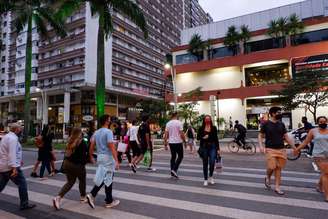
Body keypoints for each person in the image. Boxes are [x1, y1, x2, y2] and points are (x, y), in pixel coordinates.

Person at [258, 106, 295, 195]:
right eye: (278, 112)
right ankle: (267, 176)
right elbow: (260, 135)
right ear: (273, 113)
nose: (280, 114)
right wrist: (261, 146)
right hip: (270, 148)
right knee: (272, 166)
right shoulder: (266, 124)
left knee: (278, 168)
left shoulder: (281, 124)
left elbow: (286, 136)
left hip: (281, 149)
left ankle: (277, 187)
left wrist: (294, 147)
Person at [86, 114, 120, 209]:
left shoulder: (96, 132)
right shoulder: (108, 132)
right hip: (108, 158)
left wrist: (91, 156)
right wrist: (116, 160)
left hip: (100, 156)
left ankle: (107, 199)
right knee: (108, 178)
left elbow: (91, 145)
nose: (110, 121)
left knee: (104, 177)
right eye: (109, 120)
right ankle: (95, 195)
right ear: (106, 121)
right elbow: (111, 146)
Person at [0, 123, 36, 210]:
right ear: (16, 130)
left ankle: (24, 203)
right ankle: (24, 204)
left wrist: (19, 160)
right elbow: (11, 154)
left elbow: (10, 152)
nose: (21, 131)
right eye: (20, 129)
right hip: (10, 167)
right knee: (22, 183)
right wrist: (14, 168)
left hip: (3, 166)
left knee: (1, 184)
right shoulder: (12, 139)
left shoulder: (7, 137)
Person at [53, 128, 89, 210]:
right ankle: (83, 197)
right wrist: (88, 160)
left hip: (67, 164)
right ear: (79, 133)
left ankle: (58, 197)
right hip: (77, 165)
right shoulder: (82, 142)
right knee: (82, 180)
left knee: (70, 182)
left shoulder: (70, 141)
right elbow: (83, 156)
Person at [294, 116, 328, 202]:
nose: (323, 123)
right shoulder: (313, 131)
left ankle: (319, 186)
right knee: (326, 173)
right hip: (318, 155)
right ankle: (327, 195)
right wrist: (297, 149)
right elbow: (306, 142)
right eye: (321, 122)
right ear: (317, 123)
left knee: (325, 172)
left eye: (324, 121)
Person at [197, 115, 220, 186]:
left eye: (208, 119)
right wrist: (203, 137)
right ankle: (205, 179)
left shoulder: (214, 128)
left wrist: (218, 149)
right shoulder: (201, 128)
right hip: (204, 147)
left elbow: (216, 138)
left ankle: (211, 176)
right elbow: (198, 138)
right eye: (206, 119)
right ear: (204, 120)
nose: (207, 120)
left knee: (212, 161)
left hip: (212, 146)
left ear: (210, 120)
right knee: (205, 163)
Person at [164, 112, 185, 179]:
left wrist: (165, 144)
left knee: (173, 156)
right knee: (180, 156)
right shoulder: (179, 123)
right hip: (178, 142)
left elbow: (166, 135)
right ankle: (174, 169)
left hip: (171, 142)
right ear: (176, 115)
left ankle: (172, 172)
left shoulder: (168, 123)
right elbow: (182, 134)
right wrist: (185, 141)